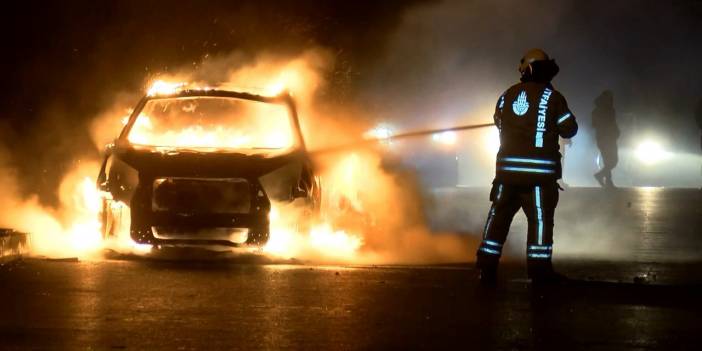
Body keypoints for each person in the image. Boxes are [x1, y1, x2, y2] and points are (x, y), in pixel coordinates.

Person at [475, 48, 578, 284]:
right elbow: (569, 128)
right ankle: (540, 271)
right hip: (539, 178)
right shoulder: (554, 98)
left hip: (507, 175)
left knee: (498, 218)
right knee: (540, 222)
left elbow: (498, 120)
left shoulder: (507, 95)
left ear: (526, 70)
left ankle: (486, 267)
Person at [592, 91, 620, 188]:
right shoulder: (608, 110)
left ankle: (608, 181)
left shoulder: (597, 110)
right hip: (607, 138)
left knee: (608, 161)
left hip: (604, 138)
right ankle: (601, 176)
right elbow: (610, 123)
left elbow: (594, 124)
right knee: (613, 161)